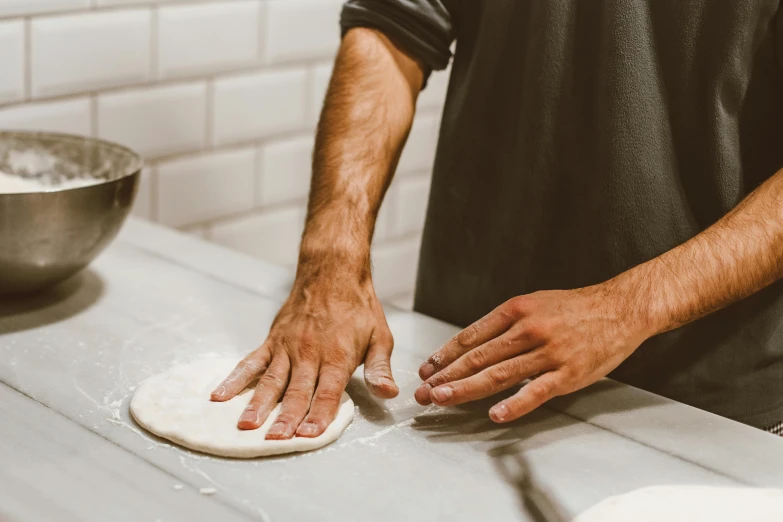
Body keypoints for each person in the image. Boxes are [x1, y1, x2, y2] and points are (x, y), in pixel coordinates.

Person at [210, 1, 783, 439]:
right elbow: (392, 28)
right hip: (463, 366)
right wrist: (329, 258)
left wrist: (625, 308)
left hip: (700, 406)